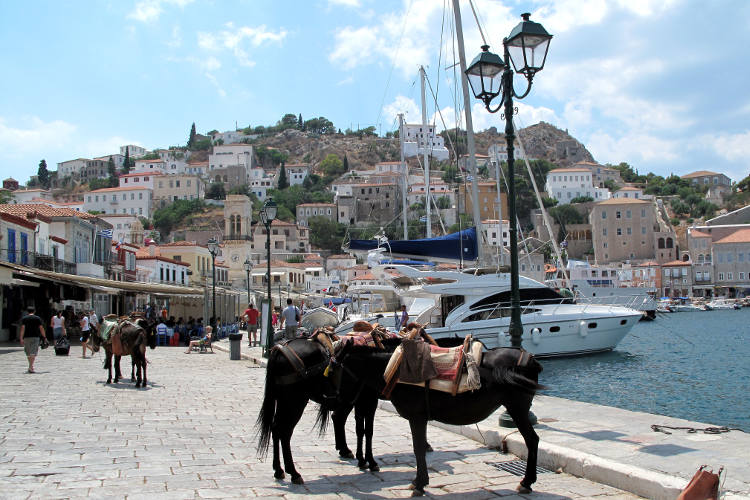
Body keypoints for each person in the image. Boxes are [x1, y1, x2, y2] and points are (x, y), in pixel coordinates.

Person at [20, 306, 47, 374]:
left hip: (26, 337)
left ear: (27, 311)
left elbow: (23, 328)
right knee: (33, 352)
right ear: (34, 311)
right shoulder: (37, 318)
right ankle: (30, 366)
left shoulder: (24, 318)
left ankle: (30, 367)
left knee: (28, 353)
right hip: (35, 337)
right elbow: (41, 328)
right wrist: (44, 337)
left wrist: (21, 338)